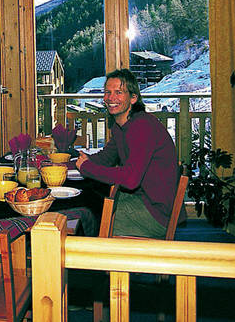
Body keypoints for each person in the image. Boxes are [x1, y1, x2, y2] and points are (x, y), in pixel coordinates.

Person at [75, 69, 185, 238]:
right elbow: (106, 157)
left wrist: (87, 168)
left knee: (93, 221)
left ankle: (92, 259)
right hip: (143, 198)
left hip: (156, 213)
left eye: (119, 92)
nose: (111, 98)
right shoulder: (122, 125)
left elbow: (131, 179)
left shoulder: (141, 126)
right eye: (107, 92)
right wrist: (75, 162)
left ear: (133, 98)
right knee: (93, 202)